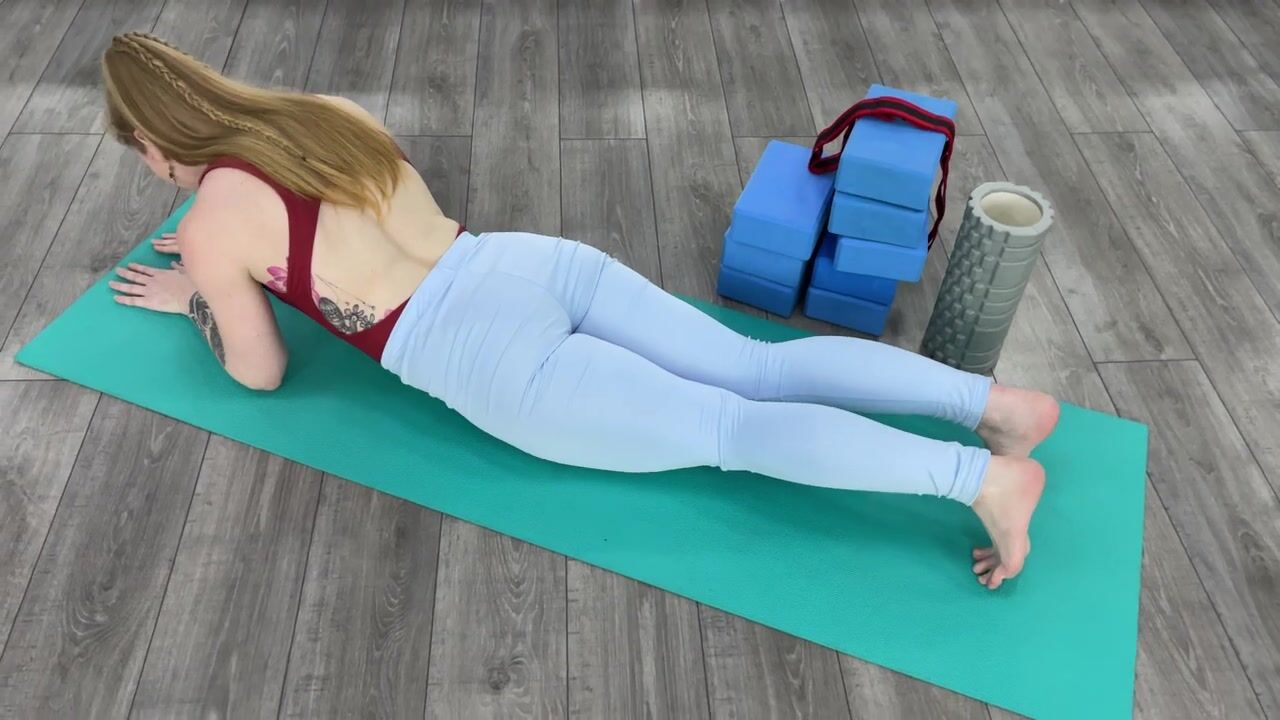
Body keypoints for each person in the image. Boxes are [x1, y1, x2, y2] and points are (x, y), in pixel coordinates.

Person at [101, 33, 1058, 590]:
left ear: (150, 141)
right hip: (524, 262)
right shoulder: (325, 112)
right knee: (756, 365)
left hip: (489, 357)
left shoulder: (211, 223)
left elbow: (260, 372)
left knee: (732, 429)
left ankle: (979, 478)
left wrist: (201, 298)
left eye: (142, 157)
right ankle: (995, 406)